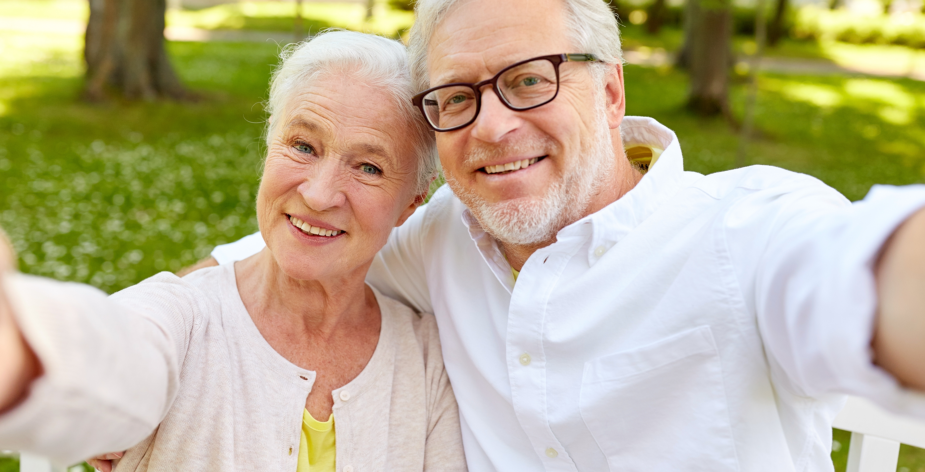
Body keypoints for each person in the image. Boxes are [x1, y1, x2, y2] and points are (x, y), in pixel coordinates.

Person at [193, 0, 925, 470]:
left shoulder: (748, 233)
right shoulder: (436, 236)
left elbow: (859, 277)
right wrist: (152, 371)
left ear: (610, 91)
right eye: (455, 97)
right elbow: (257, 265)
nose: (491, 126)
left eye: (529, 80)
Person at [0, 31, 467, 472]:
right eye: (303, 146)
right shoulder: (184, 316)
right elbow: (116, 357)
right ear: (269, 144)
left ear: (412, 202)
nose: (321, 194)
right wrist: (24, 348)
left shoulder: (425, 359)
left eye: (368, 166)